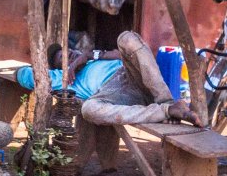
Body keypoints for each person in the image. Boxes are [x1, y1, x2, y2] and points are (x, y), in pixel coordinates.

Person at [16, 31, 200, 126]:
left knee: (126, 37)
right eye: (61, 59)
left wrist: (88, 56)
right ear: (58, 69)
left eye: (69, 52)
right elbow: (24, 75)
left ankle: (166, 100)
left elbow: (124, 55)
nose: (69, 56)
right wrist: (43, 68)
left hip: (136, 77)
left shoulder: (91, 58)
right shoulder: (61, 79)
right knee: (88, 109)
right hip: (115, 94)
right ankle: (166, 110)